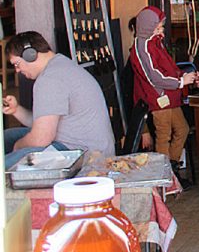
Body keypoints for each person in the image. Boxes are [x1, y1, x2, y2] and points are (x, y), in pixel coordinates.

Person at [3, 31, 115, 169]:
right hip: (86, 145)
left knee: (5, 165)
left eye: (17, 64)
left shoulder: (50, 79)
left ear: (30, 55)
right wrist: (16, 110)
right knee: (6, 137)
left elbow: (40, 139)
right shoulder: (61, 65)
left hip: (84, 156)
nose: (17, 70)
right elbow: (42, 124)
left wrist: (17, 147)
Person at [130, 6, 199, 189]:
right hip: (159, 98)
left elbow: (168, 68)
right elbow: (154, 76)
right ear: (149, 27)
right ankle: (165, 177)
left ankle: (171, 168)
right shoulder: (142, 48)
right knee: (164, 136)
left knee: (182, 129)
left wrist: (187, 78)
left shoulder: (155, 42)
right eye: (159, 26)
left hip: (170, 96)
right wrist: (180, 81)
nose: (162, 30)